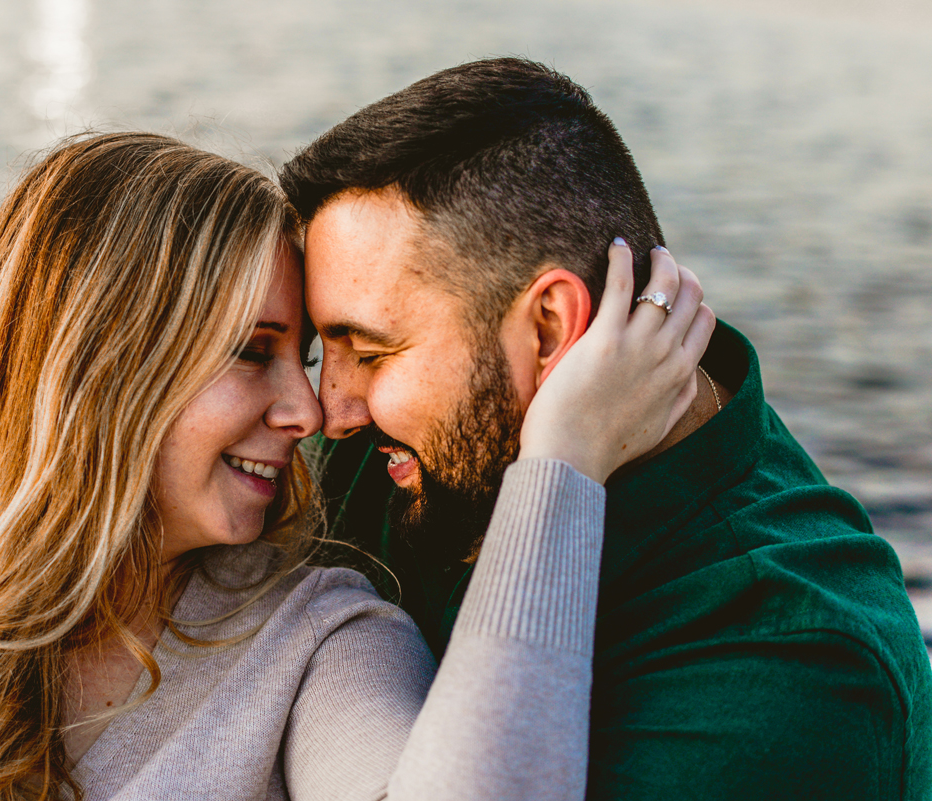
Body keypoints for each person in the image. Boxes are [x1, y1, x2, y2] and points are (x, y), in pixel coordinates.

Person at [0, 132, 710, 800]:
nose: (309, 412)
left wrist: (562, 462)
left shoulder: (320, 638)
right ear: (99, 370)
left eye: (316, 353)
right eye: (254, 352)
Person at [280, 57, 932, 800]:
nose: (327, 410)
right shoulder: (393, 452)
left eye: (369, 352)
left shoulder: (794, 668)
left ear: (552, 328)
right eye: (316, 351)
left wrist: (558, 472)